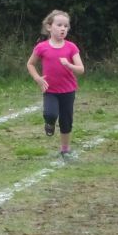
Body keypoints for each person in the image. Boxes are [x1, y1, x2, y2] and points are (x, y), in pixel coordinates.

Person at [26, 9, 84, 158]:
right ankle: (50, 123)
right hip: (50, 90)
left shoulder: (71, 47)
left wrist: (69, 65)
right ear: (49, 27)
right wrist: (37, 78)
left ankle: (65, 149)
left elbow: (81, 69)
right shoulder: (42, 47)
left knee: (66, 120)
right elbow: (30, 64)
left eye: (66, 26)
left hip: (68, 90)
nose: (63, 28)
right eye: (59, 25)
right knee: (50, 114)